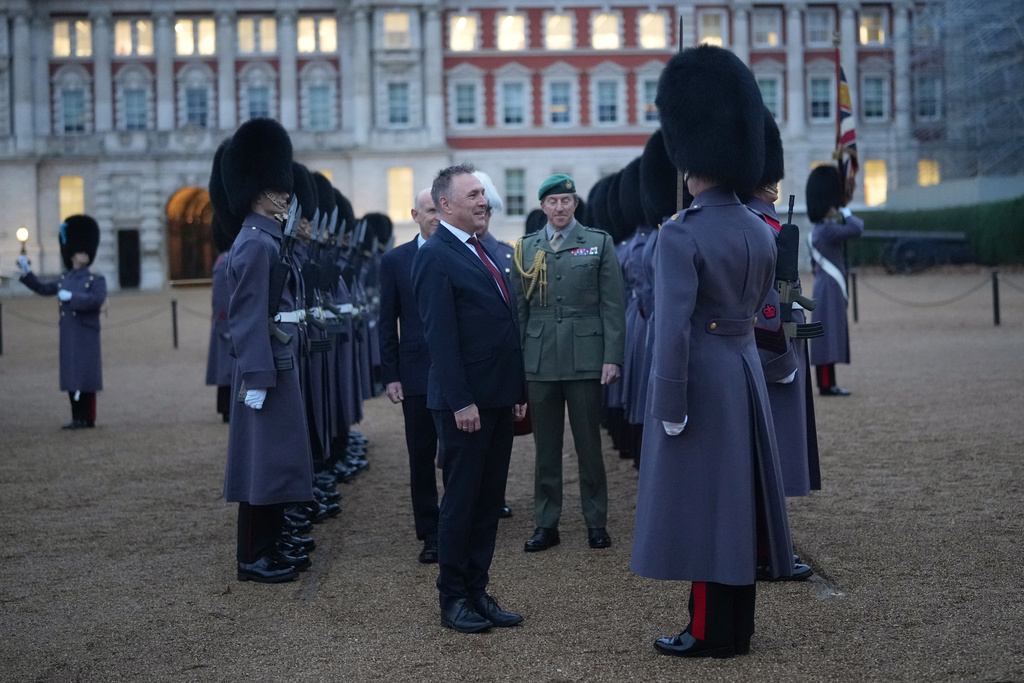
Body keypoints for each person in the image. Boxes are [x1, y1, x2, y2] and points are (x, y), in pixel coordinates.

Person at [631, 44, 794, 659]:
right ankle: (737, 627)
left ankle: (705, 630)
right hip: (744, 368)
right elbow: (766, 309)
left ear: (689, 158)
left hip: (699, 374)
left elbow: (672, 328)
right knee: (737, 503)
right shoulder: (759, 228)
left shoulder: (681, 234)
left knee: (703, 508)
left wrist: (668, 399)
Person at [411, 164, 528, 633]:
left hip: (497, 399)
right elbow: (439, 340)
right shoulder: (436, 255)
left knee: (487, 501)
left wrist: (517, 391)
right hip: (464, 407)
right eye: (474, 194)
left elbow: (506, 327)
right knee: (461, 503)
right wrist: (461, 402)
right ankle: (452, 597)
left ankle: (477, 591)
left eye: (483, 193)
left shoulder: (483, 250)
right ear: (446, 205)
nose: (485, 201)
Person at [219, 118, 314, 584]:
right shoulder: (256, 244)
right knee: (261, 464)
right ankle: (253, 554)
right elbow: (245, 317)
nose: (284, 193)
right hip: (266, 370)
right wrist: (256, 378)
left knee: (277, 460)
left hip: (279, 363)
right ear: (260, 190)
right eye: (277, 187)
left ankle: (272, 544)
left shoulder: (270, 239)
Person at [512, 174, 626, 552]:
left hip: (585, 358)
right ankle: (547, 523)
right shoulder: (526, 249)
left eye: (566, 201)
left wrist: (612, 357)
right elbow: (521, 313)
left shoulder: (598, 243)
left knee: (589, 446)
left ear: (575, 204)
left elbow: (612, 306)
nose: (559, 208)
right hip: (540, 357)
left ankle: (596, 521)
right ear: (542, 207)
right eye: (552, 202)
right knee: (545, 448)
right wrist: (520, 365)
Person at [744, 107, 818, 582]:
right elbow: (770, 300)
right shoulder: (759, 224)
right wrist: (785, 357)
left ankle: (769, 544)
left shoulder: (767, 222)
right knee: (770, 457)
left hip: (778, 343)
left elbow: (790, 291)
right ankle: (769, 548)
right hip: (772, 351)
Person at [380, 188, 441, 564]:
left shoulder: (462, 251)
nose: (436, 216)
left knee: (458, 455)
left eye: (440, 209)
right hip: (416, 372)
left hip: (457, 373)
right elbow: (387, 323)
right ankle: (430, 532)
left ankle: (457, 524)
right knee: (421, 457)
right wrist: (391, 375)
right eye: (430, 210)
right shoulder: (395, 261)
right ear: (415, 214)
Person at [18, 215, 106, 429]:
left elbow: (96, 300)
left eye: (86, 251)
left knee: (86, 378)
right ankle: (77, 416)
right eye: (80, 251)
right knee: (72, 377)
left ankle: (88, 417)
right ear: (72, 254)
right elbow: (43, 288)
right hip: (69, 334)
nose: (84, 254)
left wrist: (72, 299)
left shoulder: (96, 279)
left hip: (86, 334)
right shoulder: (64, 279)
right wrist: (27, 273)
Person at [473, 170, 516, 518]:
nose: (482, 217)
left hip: (499, 362)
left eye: (487, 211)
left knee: (499, 441)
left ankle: (494, 495)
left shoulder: (505, 254)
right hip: (471, 360)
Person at [807, 165, 863, 396]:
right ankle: (827, 385)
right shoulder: (828, 229)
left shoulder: (818, 230)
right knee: (828, 337)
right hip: (830, 287)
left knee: (826, 335)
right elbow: (857, 228)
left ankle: (826, 382)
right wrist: (845, 209)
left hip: (824, 284)